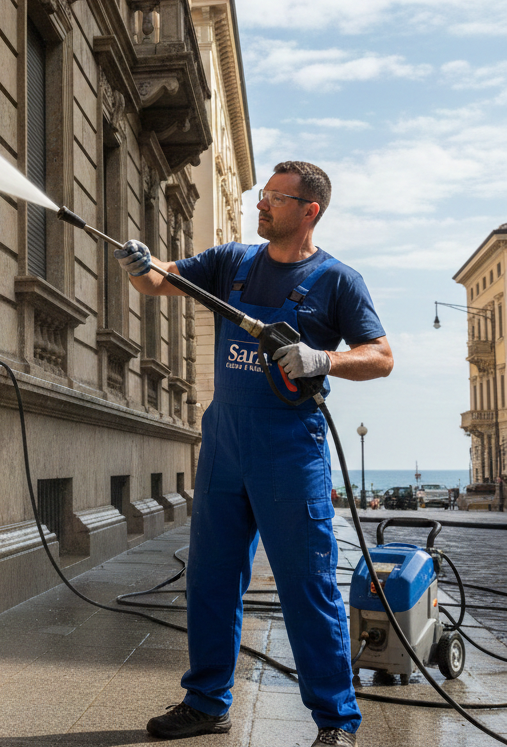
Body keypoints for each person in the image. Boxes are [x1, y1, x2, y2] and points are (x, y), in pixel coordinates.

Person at [115, 161, 393, 747]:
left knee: (307, 586)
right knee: (210, 581)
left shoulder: (338, 281)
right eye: (262, 195)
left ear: (309, 210)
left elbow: (380, 355)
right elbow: (160, 281)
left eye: (276, 198)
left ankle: (336, 722)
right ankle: (206, 703)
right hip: (224, 445)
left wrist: (325, 359)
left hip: (291, 450)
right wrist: (140, 265)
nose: (261, 205)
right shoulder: (230, 263)